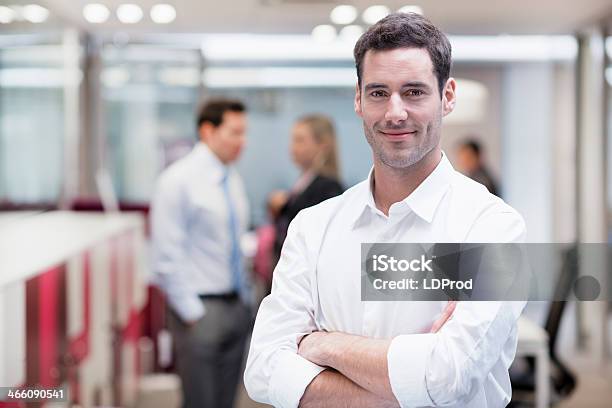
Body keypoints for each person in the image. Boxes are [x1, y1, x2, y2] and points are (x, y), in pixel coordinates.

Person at [244, 12, 526, 408]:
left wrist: (323, 345)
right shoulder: (314, 226)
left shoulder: (492, 227)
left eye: (414, 92)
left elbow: (448, 377)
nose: (395, 113)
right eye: (378, 92)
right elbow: (262, 369)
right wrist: (409, 383)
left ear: (447, 97)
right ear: (358, 99)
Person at [151, 98, 252, 408]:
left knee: (225, 401)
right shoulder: (176, 181)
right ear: (208, 131)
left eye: (244, 133)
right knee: (201, 402)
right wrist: (192, 313)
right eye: (234, 132)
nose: (242, 142)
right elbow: (166, 255)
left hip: (236, 306)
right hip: (200, 310)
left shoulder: (231, 178)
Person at [270, 114, 344, 270]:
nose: (292, 147)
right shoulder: (304, 181)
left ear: (322, 145)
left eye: (300, 140)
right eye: (293, 140)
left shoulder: (328, 188)